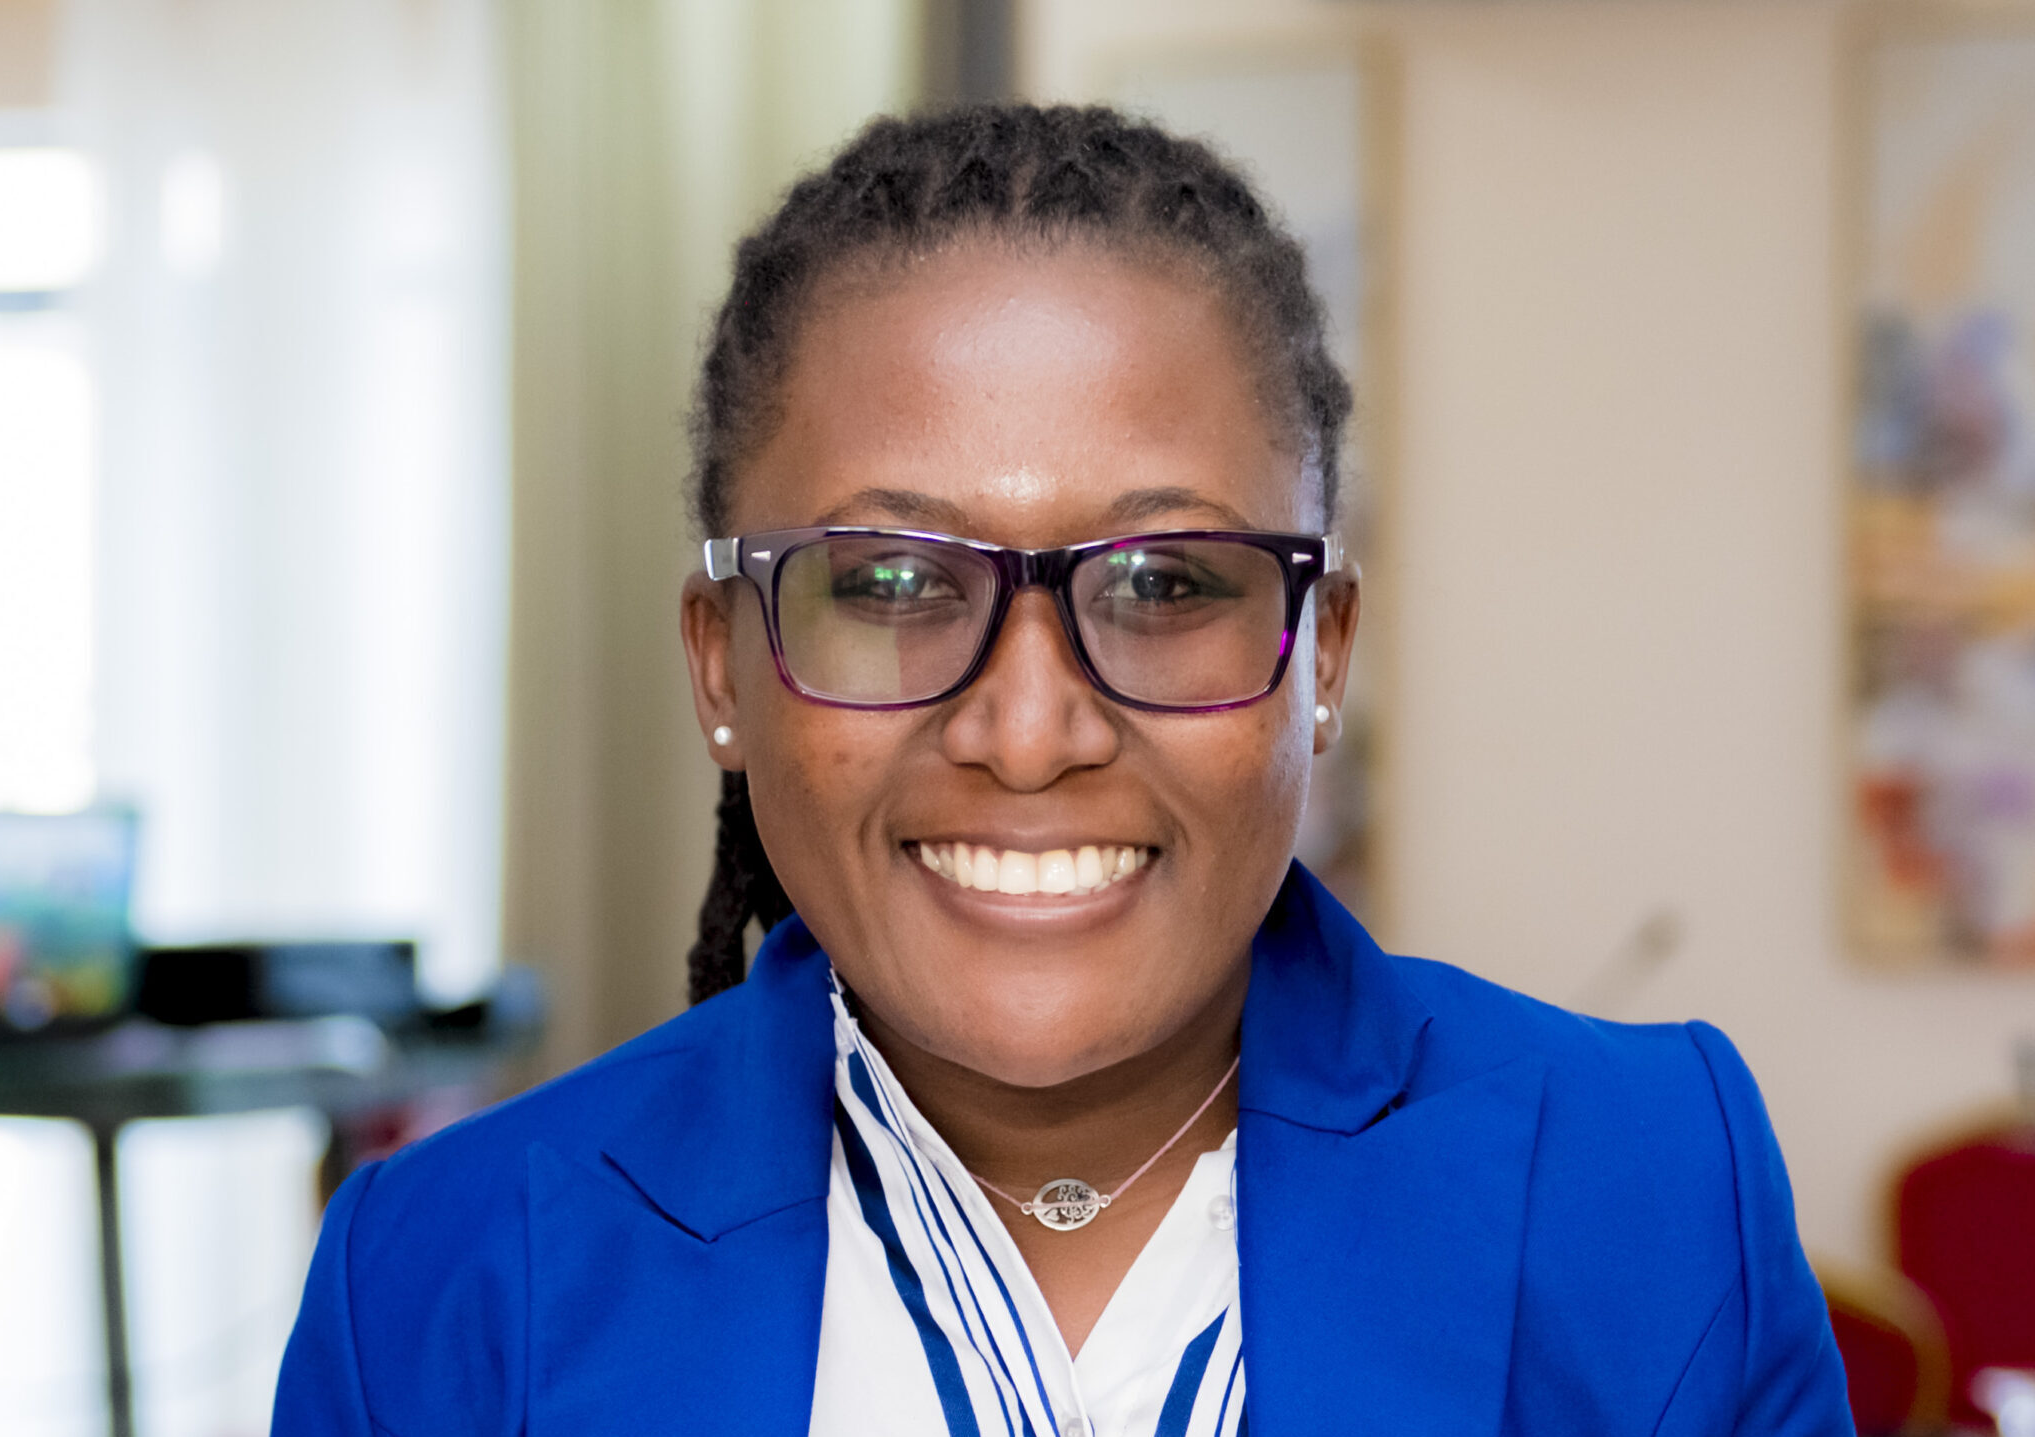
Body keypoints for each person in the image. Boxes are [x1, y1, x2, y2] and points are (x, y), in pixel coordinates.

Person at [272, 103, 1853, 1436]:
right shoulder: (437, 1289)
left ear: (1323, 658)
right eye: (891, 583)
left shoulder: (1645, 1195)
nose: (1029, 735)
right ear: (723, 668)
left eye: (1164, 584)